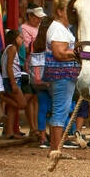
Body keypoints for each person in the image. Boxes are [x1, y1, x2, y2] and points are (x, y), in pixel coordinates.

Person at [43, 0, 80, 152]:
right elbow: (59, 53)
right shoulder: (58, 28)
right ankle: (56, 149)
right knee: (60, 111)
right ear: (59, 11)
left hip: (64, 75)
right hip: (62, 75)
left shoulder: (61, 28)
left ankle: (55, 147)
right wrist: (79, 53)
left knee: (60, 110)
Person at [0, 29, 30, 140]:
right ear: (14, 39)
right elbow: (9, 67)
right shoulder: (12, 48)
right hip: (12, 79)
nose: (22, 39)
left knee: (13, 108)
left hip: (12, 79)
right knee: (22, 104)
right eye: (20, 37)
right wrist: (13, 83)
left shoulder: (11, 49)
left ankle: (10, 132)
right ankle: (2, 97)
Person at [29, 15, 52, 149]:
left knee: (42, 108)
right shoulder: (51, 41)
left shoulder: (35, 42)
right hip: (49, 77)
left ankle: (42, 137)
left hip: (36, 80)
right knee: (55, 108)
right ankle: (55, 136)